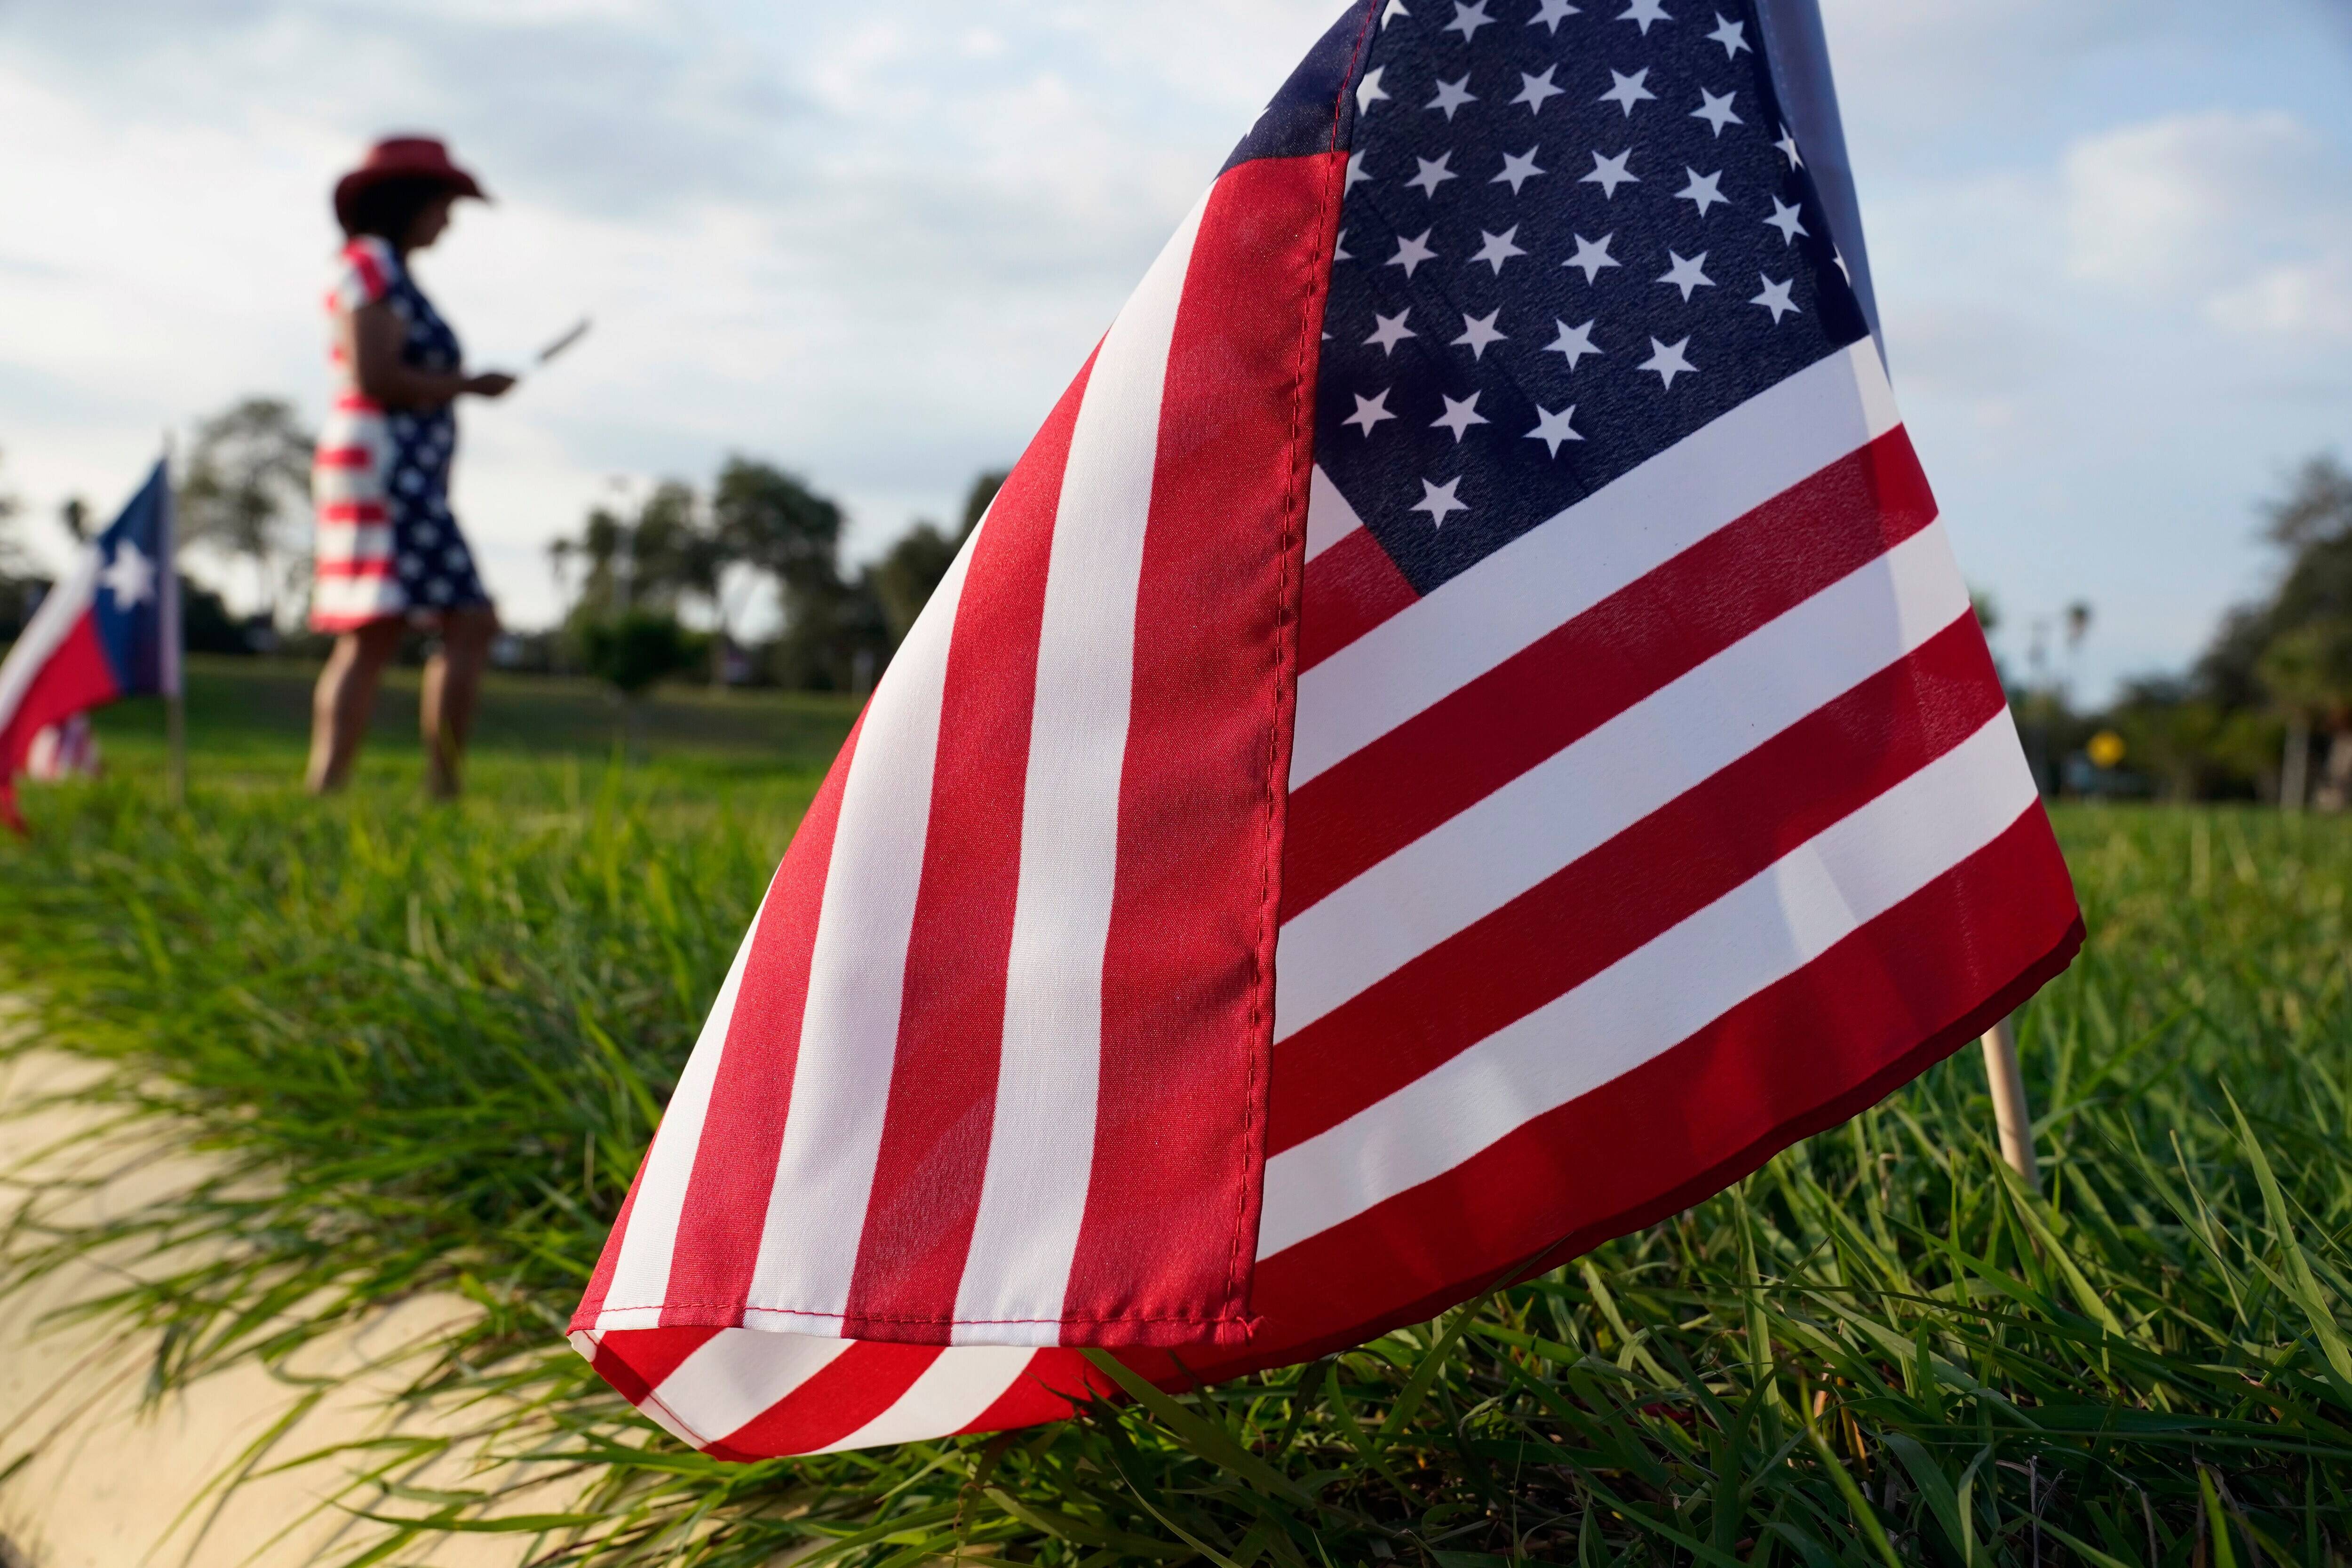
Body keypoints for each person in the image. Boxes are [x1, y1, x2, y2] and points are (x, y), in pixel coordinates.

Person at [306, 136, 515, 798]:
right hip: (387, 473)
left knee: (379, 631)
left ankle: (335, 788)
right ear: (410, 205)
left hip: (393, 471)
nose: (447, 222)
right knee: (465, 618)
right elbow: (376, 375)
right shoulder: (371, 266)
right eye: (443, 206)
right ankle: (437, 788)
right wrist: (466, 384)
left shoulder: (386, 269)